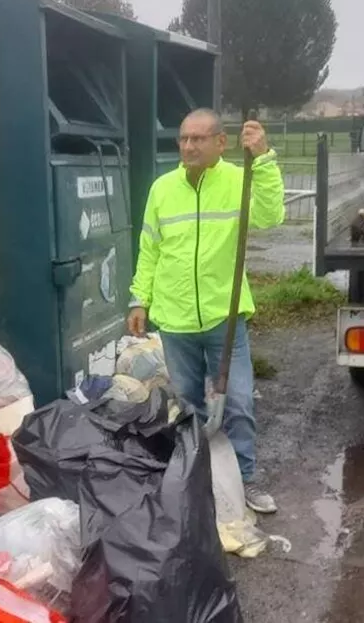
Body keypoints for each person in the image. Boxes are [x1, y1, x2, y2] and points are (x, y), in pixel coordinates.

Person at [127, 110, 285, 514]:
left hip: (223, 318)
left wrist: (263, 159)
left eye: (199, 139)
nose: (189, 146)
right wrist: (138, 299)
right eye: (183, 139)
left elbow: (270, 215)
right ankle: (199, 481)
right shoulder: (162, 189)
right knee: (189, 406)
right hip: (175, 320)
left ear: (221, 142)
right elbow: (150, 249)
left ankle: (245, 479)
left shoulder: (238, 179)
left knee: (237, 404)